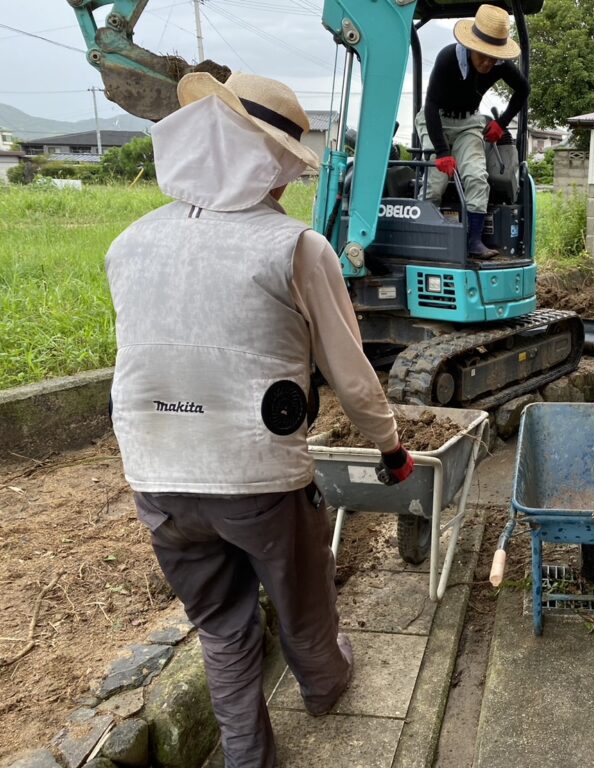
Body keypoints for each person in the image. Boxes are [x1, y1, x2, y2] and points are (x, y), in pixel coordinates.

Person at [104, 72, 416, 768]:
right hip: (257, 474)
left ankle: (248, 758)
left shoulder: (128, 243)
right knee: (305, 603)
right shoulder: (294, 246)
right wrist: (390, 448)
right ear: (269, 161)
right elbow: (352, 375)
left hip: (156, 473)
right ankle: (327, 686)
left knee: (221, 626)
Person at [416, 4, 530, 259]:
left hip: (468, 123)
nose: (489, 62)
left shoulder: (499, 64)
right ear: (471, 47)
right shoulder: (448, 59)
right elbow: (431, 105)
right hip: (437, 120)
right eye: (483, 55)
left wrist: (502, 123)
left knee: (478, 176)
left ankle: (474, 242)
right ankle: (427, 238)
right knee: (436, 181)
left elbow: (523, 90)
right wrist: (443, 152)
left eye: (494, 56)